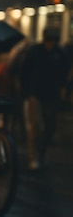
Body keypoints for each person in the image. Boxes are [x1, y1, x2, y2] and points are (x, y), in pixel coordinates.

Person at [19, 26, 71, 170]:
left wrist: (62, 87)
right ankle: (33, 157)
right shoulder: (35, 52)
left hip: (51, 94)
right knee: (35, 127)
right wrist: (26, 92)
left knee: (49, 126)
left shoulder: (59, 53)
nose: (51, 44)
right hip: (35, 93)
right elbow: (25, 72)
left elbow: (64, 71)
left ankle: (40, 153)